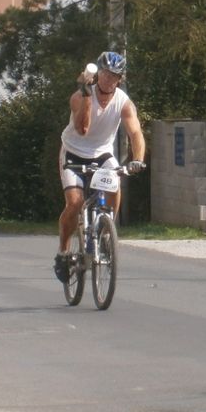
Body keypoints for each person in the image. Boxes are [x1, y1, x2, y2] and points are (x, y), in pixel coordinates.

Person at [54, 50, 146, 285]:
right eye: (104, 74)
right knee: (75, 203)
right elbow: (83, 129)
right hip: (73, 152)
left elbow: (135, 132)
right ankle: (63, 252)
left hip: (101, 153)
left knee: (115, 183)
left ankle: (107, 231)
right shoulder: (80, 96)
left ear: (120, 79)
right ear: (97, 74)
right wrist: (86, 95)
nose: (108, 79)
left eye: (113, 76)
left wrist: (137, 159)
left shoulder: (123, 102)